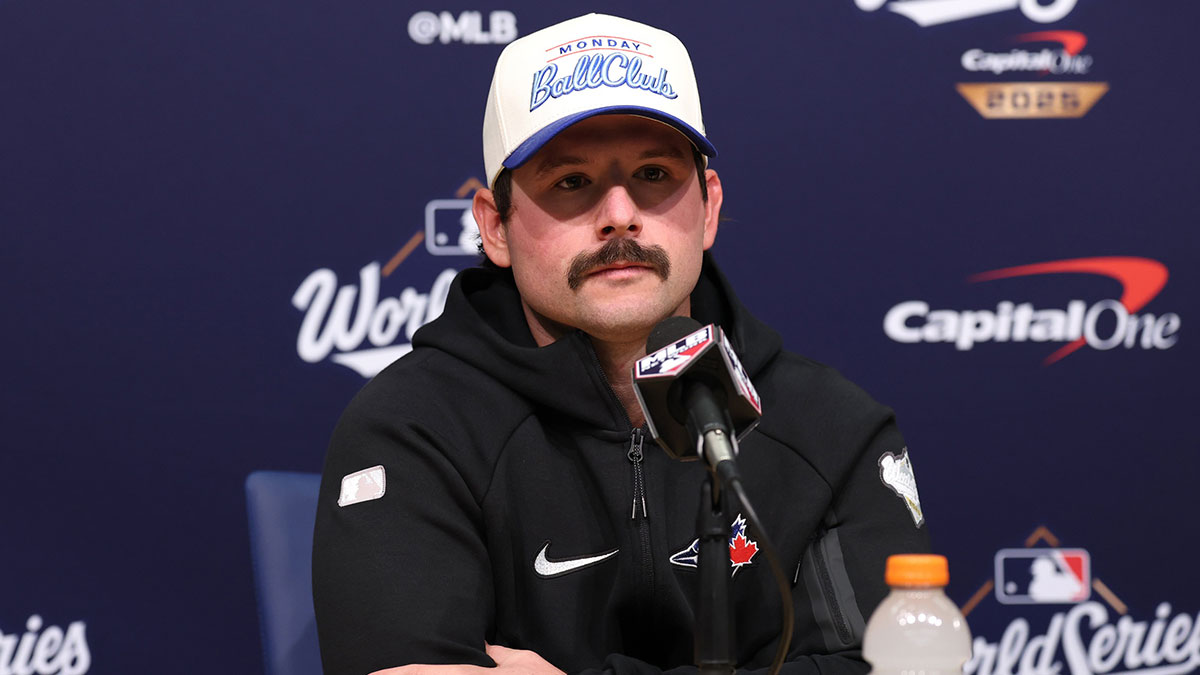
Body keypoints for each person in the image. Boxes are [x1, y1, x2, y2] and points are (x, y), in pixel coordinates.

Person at [313, 13, 929, 675]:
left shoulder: (830, 428)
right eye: (571, 182)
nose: (619, 213)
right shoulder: (415, 427)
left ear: (710, 207)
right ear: (495, 228)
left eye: (655, 175)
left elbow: (909, 666)